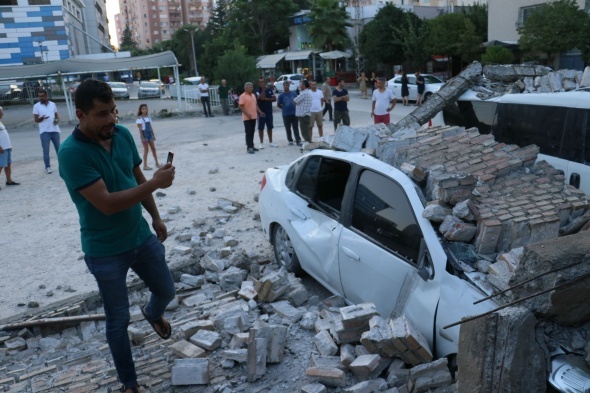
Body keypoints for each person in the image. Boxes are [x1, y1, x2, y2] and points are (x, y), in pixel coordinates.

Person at [58, 79, 176, 393]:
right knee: (118, 319)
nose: (111, 119)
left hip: (140, 236)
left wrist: (155, 216)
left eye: (113, 111)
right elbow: (107, 204)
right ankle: (129, 383)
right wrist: (156, 184)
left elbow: (135, 176)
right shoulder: (71, 154)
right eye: (101, 114)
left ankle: (153, 313)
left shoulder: (122, 134)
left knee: (166, 289)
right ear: (81, 114)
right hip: (105, 249)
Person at [33, 89, 60, 174]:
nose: (41, 98)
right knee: (46, 150)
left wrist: (56, 121)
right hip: (44, 131)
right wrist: (42, 118)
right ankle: (47, 167)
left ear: (46, 96)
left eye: (42, 96)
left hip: (55, 130)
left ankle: (63, 165)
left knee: (59, 149)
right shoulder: (36, 106)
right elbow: (36, 120)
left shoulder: (53, 104)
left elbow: (56, 115)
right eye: (39, 96)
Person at [240, 82, 265, 154]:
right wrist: (247, 114)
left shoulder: (253, 95)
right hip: (247, 118)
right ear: (247, 88)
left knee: (252, 131)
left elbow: (255, 105)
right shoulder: (243, 96)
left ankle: (252, 145)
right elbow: (241, 106)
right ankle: (249, 147)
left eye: (252, 87)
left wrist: (260, 112)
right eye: (251, 87)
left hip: (254, 117)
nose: (252, 88)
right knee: (248, 132)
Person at [136, 104, 161, 170]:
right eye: (143, 109)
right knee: (146, 150)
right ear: (140, 110)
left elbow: (150, 126)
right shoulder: (139, 118)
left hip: (150, 135)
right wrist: (143, 138)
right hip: (145, 136)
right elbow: (140, 129)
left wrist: (153, 135)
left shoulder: (148, 117)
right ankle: (145, 165)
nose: (144, 110)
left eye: (145, 108)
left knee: (153, 149)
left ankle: (157, 163)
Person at [277, 81, 301, 146]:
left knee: (295, 127)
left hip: (294, 113)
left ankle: (298, 140)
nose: (285, 86)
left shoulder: (294, 93)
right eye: (284, 85)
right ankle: (290, 140)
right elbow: (278, 104)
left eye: (287, 85)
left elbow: (297, 101)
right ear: (283, 86)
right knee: (288, 128)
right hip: (286, 114)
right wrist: (284, 108)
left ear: (289, 86)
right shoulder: (281, 96)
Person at [0, 106, 19, 188]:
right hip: (1, 148)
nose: (2, 113)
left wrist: (9, 145)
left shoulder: (0, 122)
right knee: (0, 165)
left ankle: (9, 181)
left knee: (8, 164)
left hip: (6, 147)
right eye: (1, 111)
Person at [255, 77, 277, 148]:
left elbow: (274, 99)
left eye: (263, 81)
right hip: (261, 112)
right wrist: (263, 90)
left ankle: (271, 142)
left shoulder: (269, 90)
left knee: (270, 127)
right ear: (259, 83)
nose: (262, 83)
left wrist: (267, 99)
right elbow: (261, 98)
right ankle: (261, 143)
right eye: (260, 82)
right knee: (261, 128)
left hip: (269, 112)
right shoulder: (257, 90)